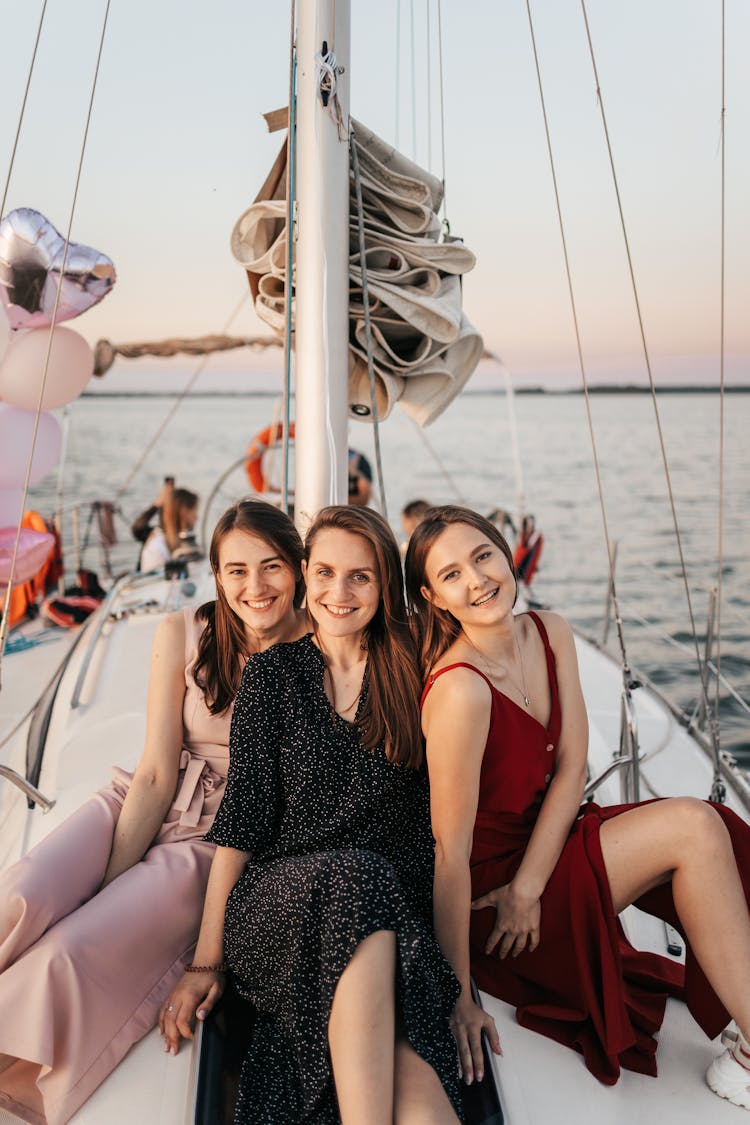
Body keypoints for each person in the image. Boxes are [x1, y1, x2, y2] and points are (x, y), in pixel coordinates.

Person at [405, 504, 750, 1108]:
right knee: (693, 825)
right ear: (433, 597)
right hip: (492, 902)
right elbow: (448, 854)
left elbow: (570, 768)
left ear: (506, 551)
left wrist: (530, 887)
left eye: (482, 556)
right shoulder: (460, 689)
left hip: (537, 870)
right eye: (452, 574)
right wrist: (457, 994)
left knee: (716, 823)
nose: (478, 579)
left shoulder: (548, 630)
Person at [0, 500, 308, 1125]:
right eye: (237, 569)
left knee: (71, 951)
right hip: (144, 798)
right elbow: (155, 771)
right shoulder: (183, 632)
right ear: (217, 574)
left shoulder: (322, 647)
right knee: (24, 893)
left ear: (299, 569)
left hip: (220, 835)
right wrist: (109, 876)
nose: (256, 586)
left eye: (272, 567)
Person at [160, 505, 461, 1124]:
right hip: (282, 906)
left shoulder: (417, 666)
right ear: (304, 573)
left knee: (426, 1109)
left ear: (385, 583)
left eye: (361, 577)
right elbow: (242, 822)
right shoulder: (273, 674)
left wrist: (465, 987)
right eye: (324, 573)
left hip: (392, 917)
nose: (339, 593)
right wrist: (204, 962)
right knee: (358, 877)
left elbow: (448, 828)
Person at [132, 480, 200, 572]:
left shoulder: (179, 541)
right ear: (183, 514)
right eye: (194, 512)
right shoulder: (157, 547)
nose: (196, 518)